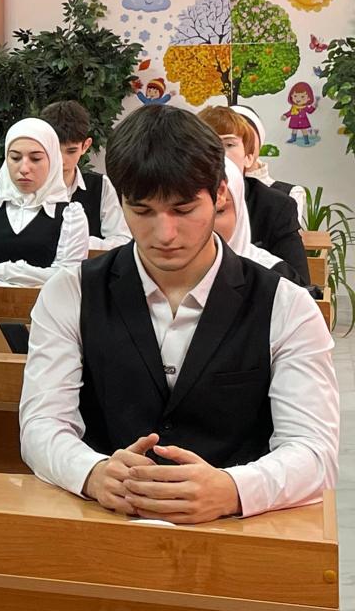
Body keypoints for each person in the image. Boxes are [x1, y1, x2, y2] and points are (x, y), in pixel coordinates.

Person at [20, 106, 338, 524]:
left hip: (240, 535)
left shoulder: (285, 304)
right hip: (103, 526)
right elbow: (42, 423)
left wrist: (233, 489)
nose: (164, 234)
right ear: (121, 201)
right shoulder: (71, 293)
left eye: (183, 210)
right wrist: (91, 472)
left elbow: (314, 451)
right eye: (142, 211)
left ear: (220, 194)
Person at [0, 117, 91, 352]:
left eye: (35, 159)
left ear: (52, 161)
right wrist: (26, 287)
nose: (24, 168)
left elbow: (66, 278)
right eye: (15, 158)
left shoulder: (71, 215)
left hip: (47, 329)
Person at [197, 106, 307, 285]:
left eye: (229, 145)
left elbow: (299, 284)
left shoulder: (276, 206)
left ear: (249, 156)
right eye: (207, 145)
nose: (217, 154)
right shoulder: (177, 201)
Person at [40, 101, 131, 250]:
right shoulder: (27, 185)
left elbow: (122, 240)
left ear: (85, 146)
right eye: (54, 150)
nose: (62, 160)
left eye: (71, 151)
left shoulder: (100, 186)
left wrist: (80, 242)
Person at [216, 158, 296, 280]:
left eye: (219, 211)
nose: (207, 224)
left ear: (240, 210)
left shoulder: (274, 278)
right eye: (188, 211)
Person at [232, 103, 306, 228]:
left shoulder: (290, 194)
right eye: (230, 143)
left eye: (248, 137)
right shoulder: (211, 191)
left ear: (260, 141)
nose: (243, 145)